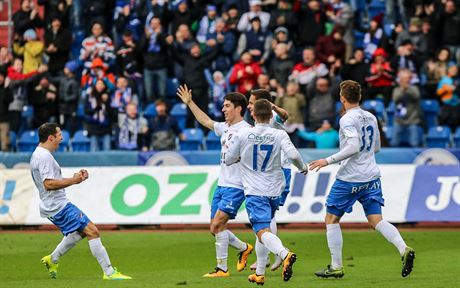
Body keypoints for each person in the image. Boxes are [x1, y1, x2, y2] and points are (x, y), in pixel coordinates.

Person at [308, 80, 415, 279]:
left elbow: (353, 146)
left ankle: (336, 266)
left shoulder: (347, 119)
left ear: (342, 99)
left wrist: (327, 160)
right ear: (360, 97)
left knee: (331, 219)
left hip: (350, 177)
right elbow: (376, 148)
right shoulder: (371, 117)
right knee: (376, 219)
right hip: (372, 175)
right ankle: (403, 248)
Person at [30, 123, 131, 280]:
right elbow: (48, 184)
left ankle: (53, 259)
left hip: (54, 204)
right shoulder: (43, 156)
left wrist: (76, 178)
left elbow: (52, 181)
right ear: (51, 137)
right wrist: (73, 180)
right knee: (92, 231)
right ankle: (109, 272)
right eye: (59, 135)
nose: (62, 138)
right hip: (57, 205)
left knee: (79, 232)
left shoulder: (40, 154)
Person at [224, 99, 307, 285]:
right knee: (265, 227)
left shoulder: (243, 134)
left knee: (261, 231)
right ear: (271, 115)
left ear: (252, 114)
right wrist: (303, 168)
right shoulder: (279, 134)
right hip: (274, 190)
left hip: (255, 191)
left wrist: (239, 157)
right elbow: (293, 155)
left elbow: (228, 159)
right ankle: (260, 272)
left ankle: (284, 253)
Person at [176, 84, 253, 277]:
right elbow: (206, 121)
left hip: (237, 186)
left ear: (238, 109)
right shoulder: (225, 127)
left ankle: (222, 269)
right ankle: (244, 248)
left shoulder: (248, 131)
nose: (223, 109)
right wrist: (190, 102)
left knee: (217, 225)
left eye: (227, 106)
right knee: (215, 228)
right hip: (222, 185)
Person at [246, 89, 289, 271]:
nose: (248, 106)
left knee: (265, 217)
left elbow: (285, 115)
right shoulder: (257, 121)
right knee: (268, 216)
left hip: (278, 170)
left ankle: (274, 254)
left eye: (251, 102)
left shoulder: (272, 117)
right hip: (269, 172)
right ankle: (274, 253)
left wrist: (273, 107)